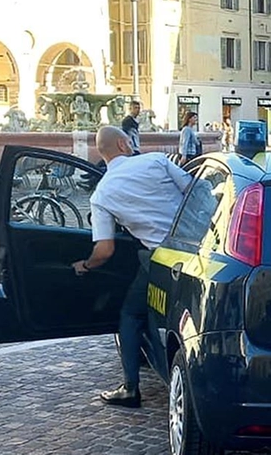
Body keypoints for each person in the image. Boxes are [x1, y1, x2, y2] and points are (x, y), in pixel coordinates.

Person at [72, 126, 193, 407]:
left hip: (159, 259)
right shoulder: (156, 161)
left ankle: (130, 387)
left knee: (130, 313)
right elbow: (194, 193)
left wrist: (85, 265)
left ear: (103, 153)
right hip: (197, 250)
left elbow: (105, 250)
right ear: (124, 144)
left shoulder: (100, 195)